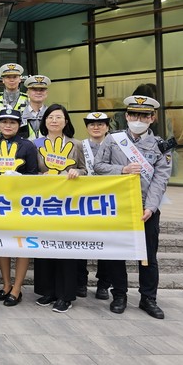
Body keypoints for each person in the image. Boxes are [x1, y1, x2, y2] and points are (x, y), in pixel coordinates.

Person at [94, 95, 172, 319]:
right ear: (127, 116)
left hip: (145, 209)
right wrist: (122, 170)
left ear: (152, 118)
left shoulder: (160, 145)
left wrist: (151, 207)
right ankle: (119, 295)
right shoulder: (113, 139)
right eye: (134, 115)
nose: (139, 120)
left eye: (144, 116)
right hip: (117, 206)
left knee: (148, 256)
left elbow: (161, 179)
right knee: (117, 253)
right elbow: (98, 166)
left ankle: (148, 298)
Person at [32, 104, 87, 313]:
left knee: (65, 248)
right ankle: (48, 291)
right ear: (44, 121)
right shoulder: (35, 144)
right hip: (43, 203)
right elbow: (30, 171)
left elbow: (85, 169)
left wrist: (77, 173)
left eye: (58, 117)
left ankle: (65, 295)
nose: (54, 121)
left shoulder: (76, 144)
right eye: (50, 117)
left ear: (66, 121)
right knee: (45, 246)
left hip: (68, 204)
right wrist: (41, 176)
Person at [0, 107, 38, 307]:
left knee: (21, 245)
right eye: (4, 122)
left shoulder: (27, 146)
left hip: (20, 203)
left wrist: (19, 177)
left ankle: (17, 288)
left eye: (12, 122)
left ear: (19, 125)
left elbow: (33, 174)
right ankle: (6, 284)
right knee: (2, 244)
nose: (8, 125)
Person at [81, 111, 112, 300]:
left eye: (100, 124)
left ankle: (104, 284)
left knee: (106, 244)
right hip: (84, 201)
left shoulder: (116, 146)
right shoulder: (80, 146)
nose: (96, 127)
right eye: (92, 124)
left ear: (107, 127)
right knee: (81, 242)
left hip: (108, 201)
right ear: (87, 127)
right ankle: (81, 281)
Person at [21, 75, 51, 139]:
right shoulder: (20, 114)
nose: (38, 92)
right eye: (34, 90)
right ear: (27, 93)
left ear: (46, 93)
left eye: (42, 90)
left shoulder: (51, 114)